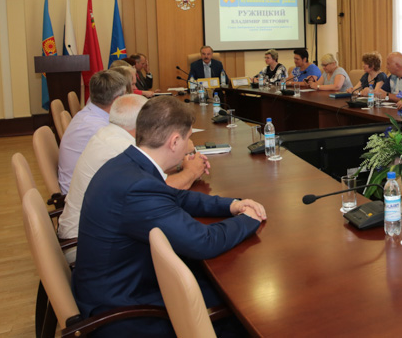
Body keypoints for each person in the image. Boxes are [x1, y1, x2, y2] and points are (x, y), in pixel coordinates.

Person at [72, 96, 266, 337]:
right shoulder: (137, 187)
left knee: (218, 283)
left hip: (117, 283)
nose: (189, 148)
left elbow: (177, 197)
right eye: (188, 139)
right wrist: (249, 219)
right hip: (121, 309)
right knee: (240, 303)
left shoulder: (127, 163)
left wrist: (232, 206)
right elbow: (203, 241)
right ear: (174, 142)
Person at [57, 94, 210, 261]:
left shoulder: (109, 133)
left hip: (100, 234)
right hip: (87, 246)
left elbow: (153, 175)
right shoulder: (120, 147)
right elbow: (161, 189)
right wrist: (191, 172)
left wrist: (180, 162)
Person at [58, 70, 128, 194]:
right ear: (117, 100)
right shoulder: (98, 128)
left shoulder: (90, 114)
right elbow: (127, 162)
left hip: (84, 186)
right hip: (83, 195)